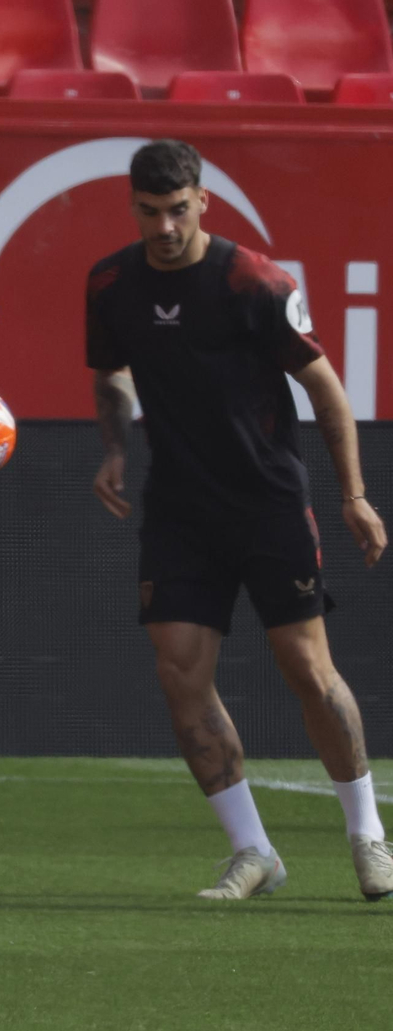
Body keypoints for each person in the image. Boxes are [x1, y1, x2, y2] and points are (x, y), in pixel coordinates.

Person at [88, 139, 391, 901]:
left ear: (203, 203)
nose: (164, 226)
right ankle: (253, 852)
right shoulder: (111, 284)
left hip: (267, 503)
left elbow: (324, 388)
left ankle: (369, 837)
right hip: (180, 512)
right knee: (180, 673)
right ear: (133, 207)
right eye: (150, 211)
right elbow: (113, 370)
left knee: (307, 669)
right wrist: (115, 447)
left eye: (178, 210)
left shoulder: (251, 280)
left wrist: (352, 494)